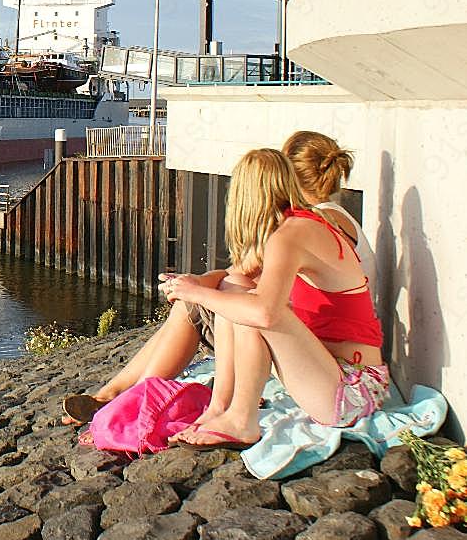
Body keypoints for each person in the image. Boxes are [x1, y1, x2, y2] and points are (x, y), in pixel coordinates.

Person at [60, 131, 363, 424]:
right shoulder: (319, 220)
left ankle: (131, 400)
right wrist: (194, 285)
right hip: (319, 360)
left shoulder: (299, 230)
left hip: (335, 375)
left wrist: (196, 291)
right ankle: (119, 396)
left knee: (221, 303)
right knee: (212, 297)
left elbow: (261, 307)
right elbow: (240, 273)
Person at [165, 148, 385, 449]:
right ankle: (220, 408)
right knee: (235, 288)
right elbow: (236, 279)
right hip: (331, 375)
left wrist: (195, 292)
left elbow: (265, 313)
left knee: (255, 308)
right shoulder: (296, 226)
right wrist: (197, 287)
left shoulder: (292, 235)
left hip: (355, 391)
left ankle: (242, 420)